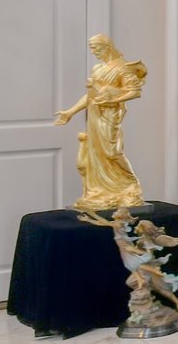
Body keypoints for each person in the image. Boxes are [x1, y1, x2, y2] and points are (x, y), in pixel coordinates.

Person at [54, 33, 147, 212]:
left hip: (111, 114)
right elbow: (90, 96)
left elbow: (135, 92)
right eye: (92, 49)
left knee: (111, 151)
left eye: (97, 48)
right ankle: (99, 190)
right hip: (95, 114)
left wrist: (113, 98)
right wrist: (70, 112)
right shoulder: (97, 69)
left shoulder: (123, 68)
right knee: (96, 152)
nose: (94, 52)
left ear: (108, 46)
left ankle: (130, 183)